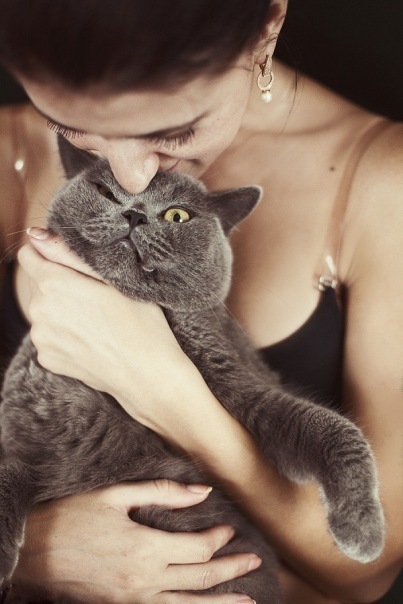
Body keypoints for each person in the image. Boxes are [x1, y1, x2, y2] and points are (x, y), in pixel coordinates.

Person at [0, 1, 402, 602]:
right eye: (71, 129)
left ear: (269, 23)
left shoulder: (383, 183)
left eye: (174, 133)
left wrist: (161, 385)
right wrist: (36, 550)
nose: (130, 176)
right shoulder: (8, 152)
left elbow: (365, 573)